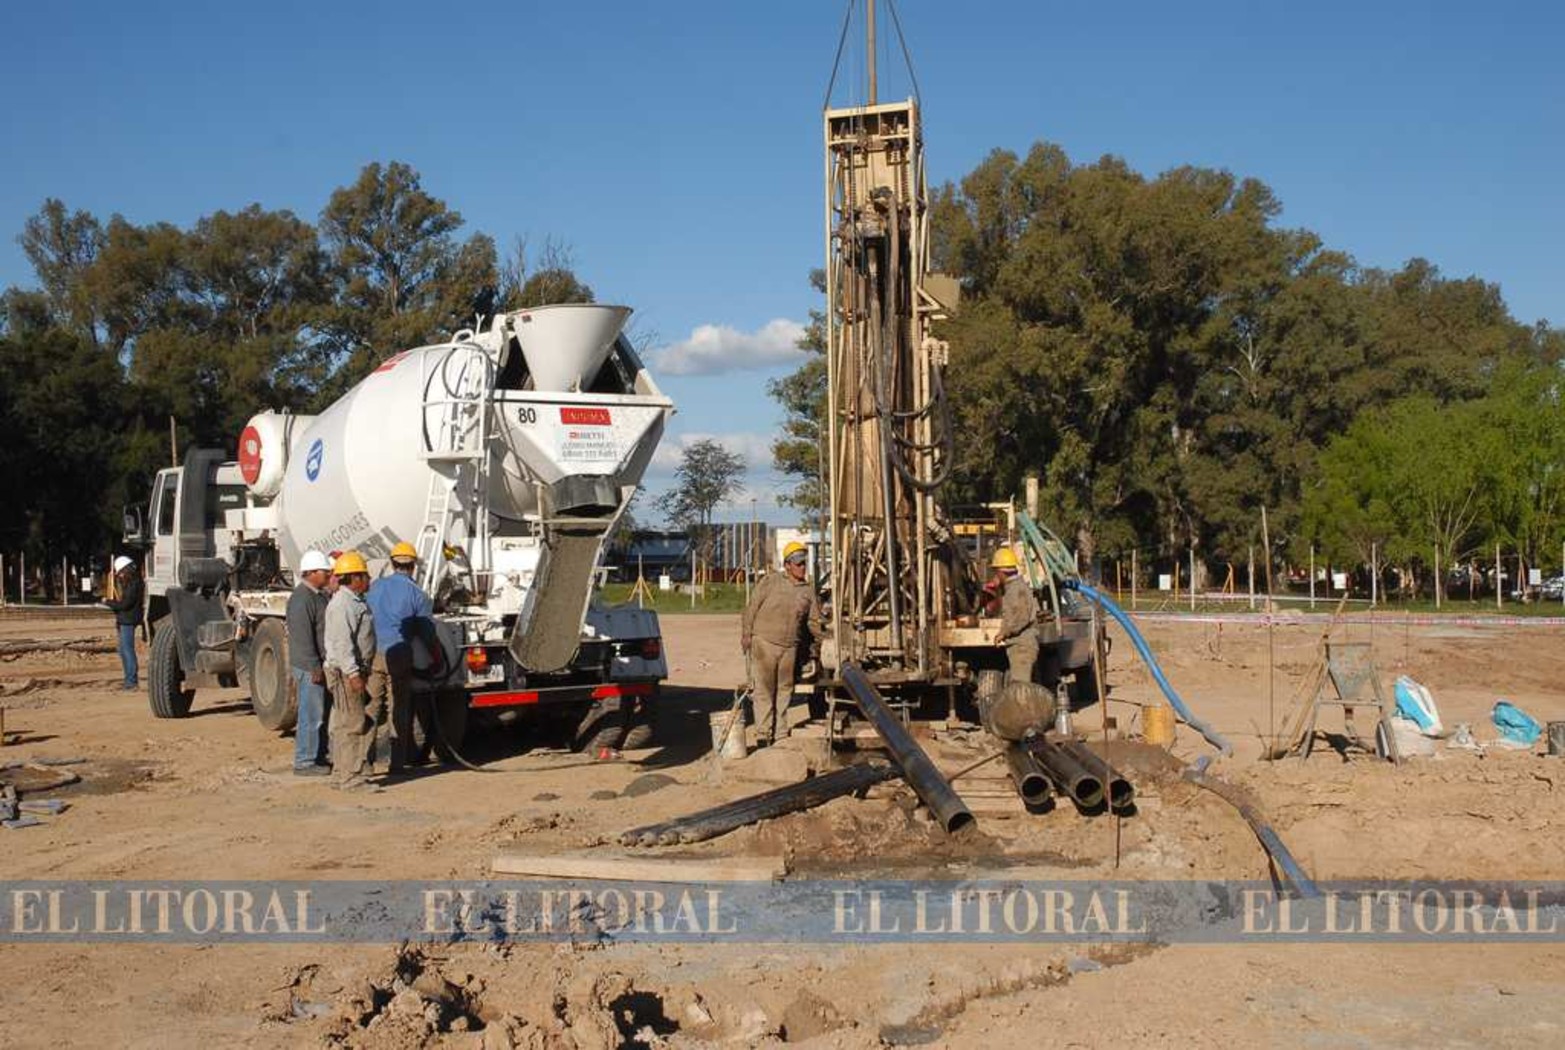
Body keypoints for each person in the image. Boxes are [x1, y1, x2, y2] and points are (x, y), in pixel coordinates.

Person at [740, 541, 823, 746]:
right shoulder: (770, 582)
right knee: (764, 689)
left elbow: (813, 622)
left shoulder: (807, 591)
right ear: (787, 565)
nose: (802, 567)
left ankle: (780, 734)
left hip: (789, 647)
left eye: (804, 563)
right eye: (798, 563)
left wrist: (824, 639)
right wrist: (746, 634)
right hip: (764, 643)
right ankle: (763, 734)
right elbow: (751, 608)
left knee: (785, 689)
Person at [365, 541, 436, 775]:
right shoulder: (417, 594)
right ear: (413, 566)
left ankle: (365, 762)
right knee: (399, 708)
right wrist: (437, 659)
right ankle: (397, 763)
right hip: (400, 655)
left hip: (374, 654)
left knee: (371, 707)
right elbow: (426, 633)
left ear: (392, 563)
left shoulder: (375, 587)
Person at [324, 551, 378, 791]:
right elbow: (342, 643)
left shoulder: (352, 601)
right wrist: (353, 674)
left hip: (348, 670)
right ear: (354, 577)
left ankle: (340, 772)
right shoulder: (343, 605)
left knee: (343, 723)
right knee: (353, 724)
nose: (368, 579)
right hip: (345, 673)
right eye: (365, 575)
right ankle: (351, 778)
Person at [286, 550, 334, 776]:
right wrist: (314, 666)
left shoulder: (317, 595)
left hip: (316, 664)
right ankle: (304, 761)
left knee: (320, 714)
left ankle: (318, 755)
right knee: (311, 714)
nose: (328, 575)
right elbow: (303, 637)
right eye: (325, 572)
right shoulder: (301, 599)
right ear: (313, 572)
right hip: (309, 666)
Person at [992, 547, 1039, 684]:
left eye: (996, 571)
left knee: (1020, 687)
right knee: (1019, 687)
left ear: (1001, 572)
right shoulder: (1011, 588)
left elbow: (1020, 617)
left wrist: (1004, 633)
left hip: (1022, 646)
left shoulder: (1017, 589)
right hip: (1019, 646)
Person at [103, 556, 144, 691]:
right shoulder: (132, 583)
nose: (119, 576)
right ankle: (129, 679)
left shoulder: (134, 584)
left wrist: (108, 602)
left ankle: (131, 681)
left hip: (128, 620)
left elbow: (125, 604)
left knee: (127, 650)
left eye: (120, 573)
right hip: (124, 619)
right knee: (123, 650)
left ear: (126, 571)